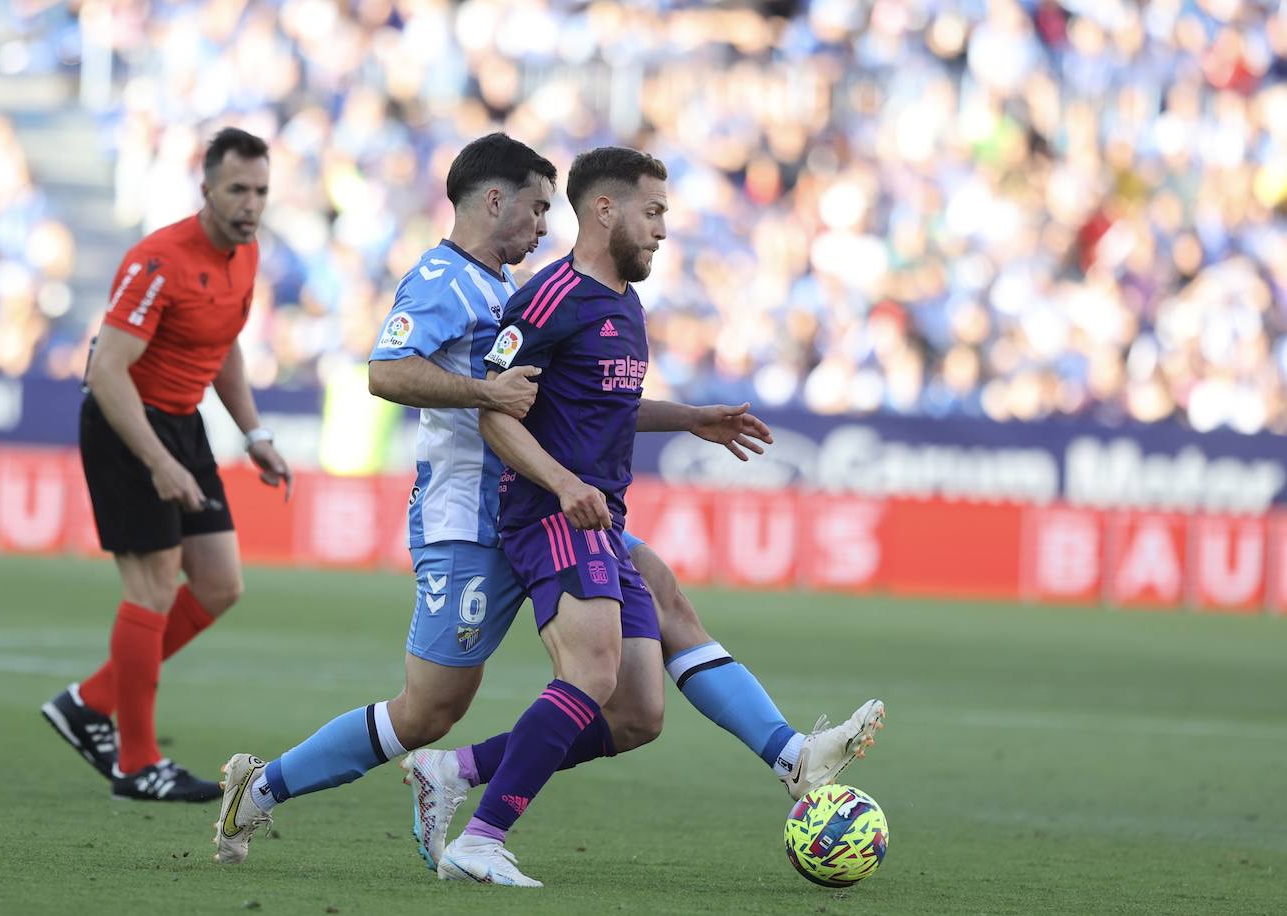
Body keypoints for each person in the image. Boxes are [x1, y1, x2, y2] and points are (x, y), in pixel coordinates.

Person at [211, 134, 879, 870]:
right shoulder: (443, 280)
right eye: (533, 207)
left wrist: (687, 416)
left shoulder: (515, 289)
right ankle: (265, 788)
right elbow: (386, 371)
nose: (541, 224)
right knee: (428, 711)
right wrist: (482, 393)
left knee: (651, 638)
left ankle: (788, 754)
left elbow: (584, 398)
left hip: (544, 504)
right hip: (470, 517)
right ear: (493, 200)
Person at [429, 146, 882, 887]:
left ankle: (454, 770)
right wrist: (561, 482)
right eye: (654, 212)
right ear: (605, 210)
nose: (664, 230)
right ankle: (480, 838)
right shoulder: (548, 300)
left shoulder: (623, 304)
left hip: (597, 518)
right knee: (594, 669)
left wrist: (690, 417)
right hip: (549, 513)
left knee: (637, 713)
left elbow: (602, 405)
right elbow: (494, 412)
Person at [39, 127, 292, 803]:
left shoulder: (246, 254)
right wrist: (155, 461)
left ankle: (87, 703)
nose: (250, 203)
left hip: (181, 424)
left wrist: (254, 431)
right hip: (126, 425)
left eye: (260, 191)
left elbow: (225, 347)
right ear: (205, 188)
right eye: (237, 189)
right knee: (151, 589)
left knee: (218, 584)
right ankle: (137, 763)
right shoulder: (158, 262)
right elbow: (107, 368)